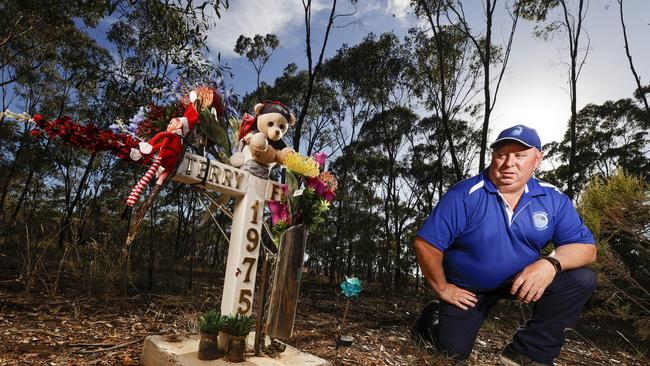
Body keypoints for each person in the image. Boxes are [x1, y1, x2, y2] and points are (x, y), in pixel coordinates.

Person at [412, 125, 597, 366]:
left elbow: (586, 247)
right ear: (493, 157)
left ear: (538, 158)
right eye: (502, 155)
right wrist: (443, 288)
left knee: (580, 279)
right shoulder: (465, 194)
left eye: (520, 155)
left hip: (518, 281)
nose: (509, 163)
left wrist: (550, 263)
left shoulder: (552, 198)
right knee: (452, 353)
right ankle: (432, 320)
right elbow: (427, 244)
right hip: (469, 289)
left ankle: (527, 353)